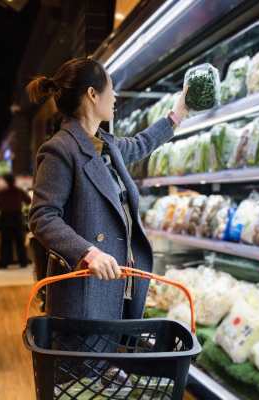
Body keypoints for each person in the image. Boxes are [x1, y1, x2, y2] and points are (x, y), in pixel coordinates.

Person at [27, 57, 188, 322]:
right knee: (88, 362)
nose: (114, 96)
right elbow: (42, 217)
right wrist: (88, 253)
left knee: (111, 359)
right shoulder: (59, 149)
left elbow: (140, 144)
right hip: (84, 290)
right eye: (110, 88)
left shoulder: (105, 144)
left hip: (117, 286)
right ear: (92, 94)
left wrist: (178, 114)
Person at [0, 174, 31, 269]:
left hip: (5, 217)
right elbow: (28, 201)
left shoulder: (1, 192)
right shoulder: (19, 191)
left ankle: (4, 263)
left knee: (5, 242)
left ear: (5, 181)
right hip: (17, 217)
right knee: (19, 242)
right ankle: (23, 262)